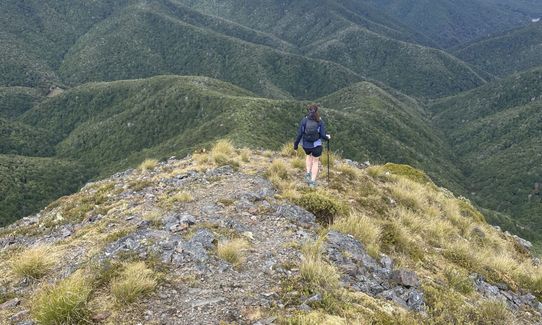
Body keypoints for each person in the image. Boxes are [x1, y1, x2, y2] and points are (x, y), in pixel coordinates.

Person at [294, 104, 331, 188]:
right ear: (317, 111)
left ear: (308, 111)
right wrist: (328, 138)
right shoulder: (320, 121)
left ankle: (308, 173)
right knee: (315, 162)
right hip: (316, 146)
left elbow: (299, 134)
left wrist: (295, 146)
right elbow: (322, 135)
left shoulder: (304, 120)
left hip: (306, 145)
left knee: (308, 156)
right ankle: (312, 182)